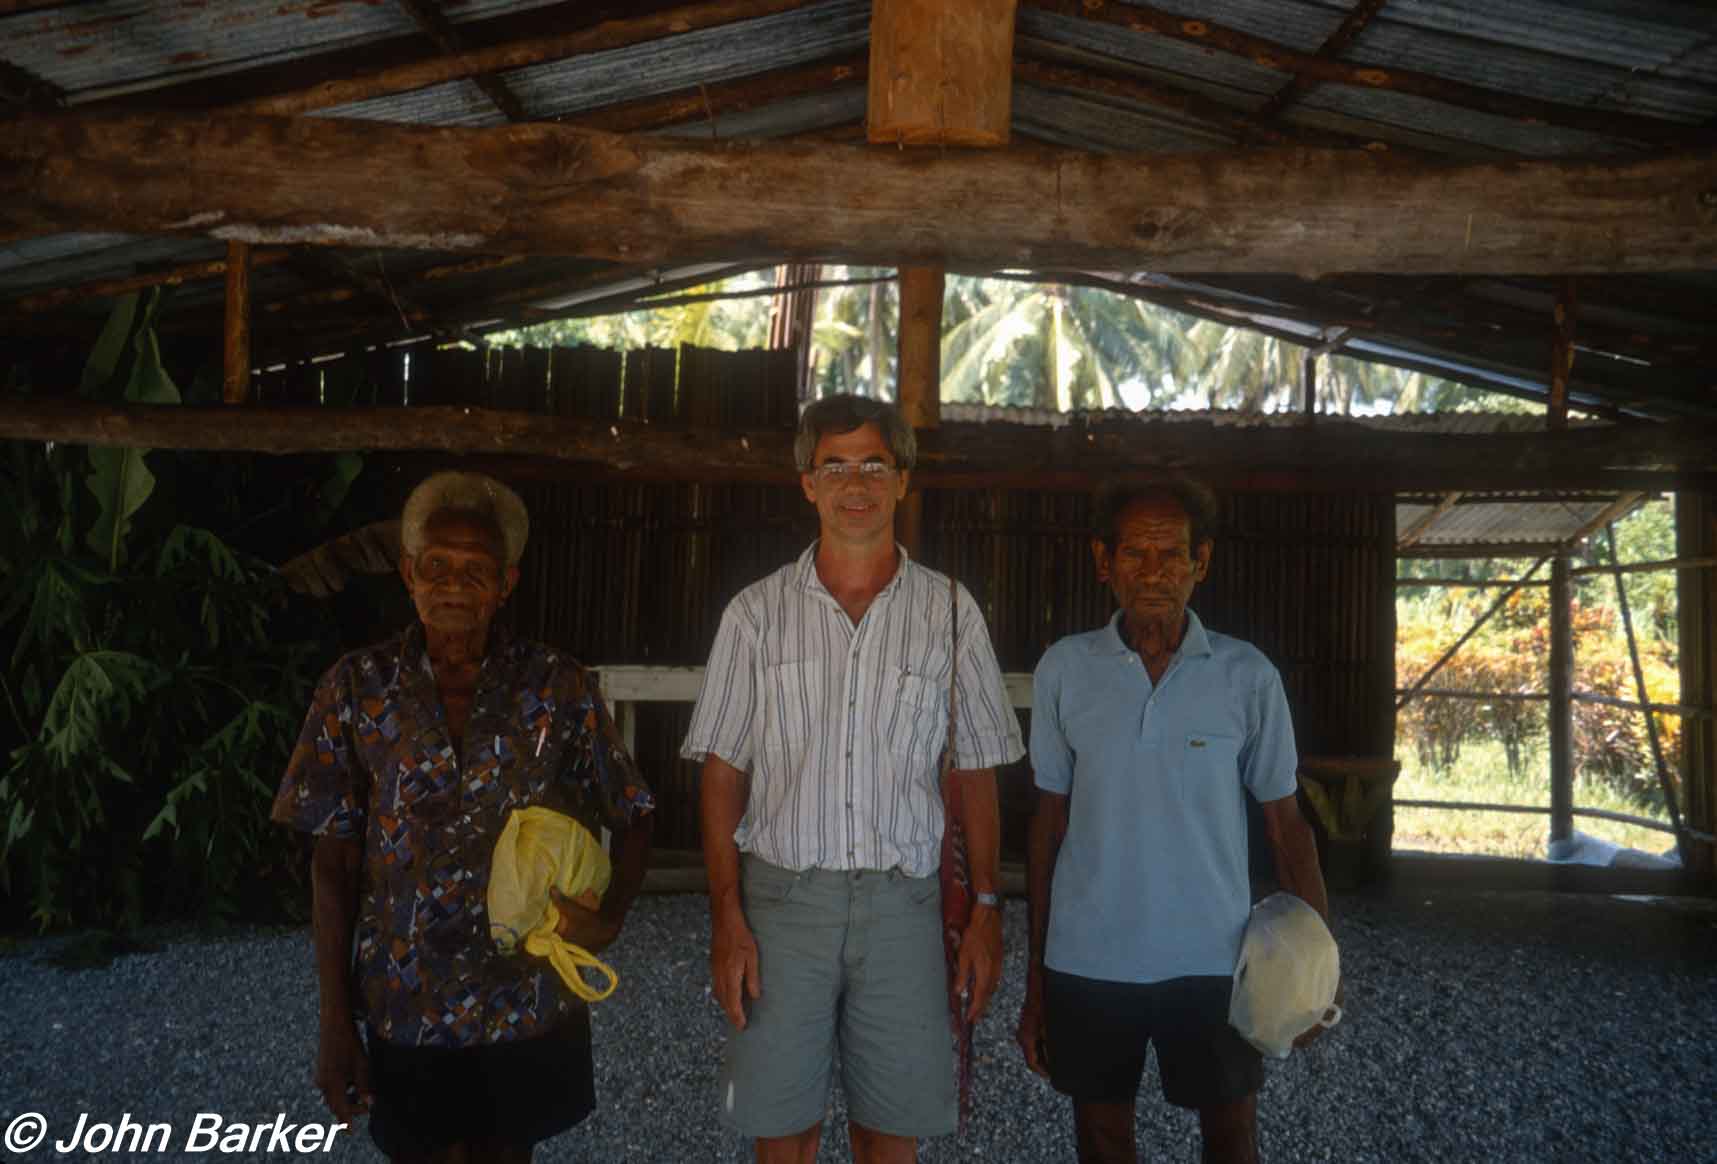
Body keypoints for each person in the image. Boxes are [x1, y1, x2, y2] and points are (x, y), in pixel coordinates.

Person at [272, 471, 655, 1164]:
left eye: (476, 570)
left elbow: (633, 811)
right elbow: (332, 862)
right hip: (405, 1005)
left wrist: (610, 917)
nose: (454, 585)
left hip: (526, 1002)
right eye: (437, 567)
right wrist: (334, 1022)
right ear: (409, 574)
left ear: (505, 584)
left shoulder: (556, 685)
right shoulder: (356, 687)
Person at [682, 394, 1024, 1164]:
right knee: (784, 1131)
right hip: (782, 905)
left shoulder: (948, 610)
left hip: (903, 908)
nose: (855, 484)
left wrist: (986, 909)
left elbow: (974, 767)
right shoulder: (756, 614)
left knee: (888, 1132)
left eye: (873, 464)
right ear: (807, 484)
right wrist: (726, 916)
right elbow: (723, 772)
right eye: (834, 467)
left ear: (902, 480)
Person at [1016, 478, 1335, 1164]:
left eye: (1172, 554)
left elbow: (1287, 828)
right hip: (1088, 958)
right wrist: (1036, 981)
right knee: (1102, 1140)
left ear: (1201, 562)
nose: (1154, 572)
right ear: (1104, 562)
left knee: (1231, 1137)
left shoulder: (1247, 676)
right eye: (1135, 553)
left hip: (1217, 960)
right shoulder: (1065, 669)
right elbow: (1047, 827)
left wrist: (1316, 971)